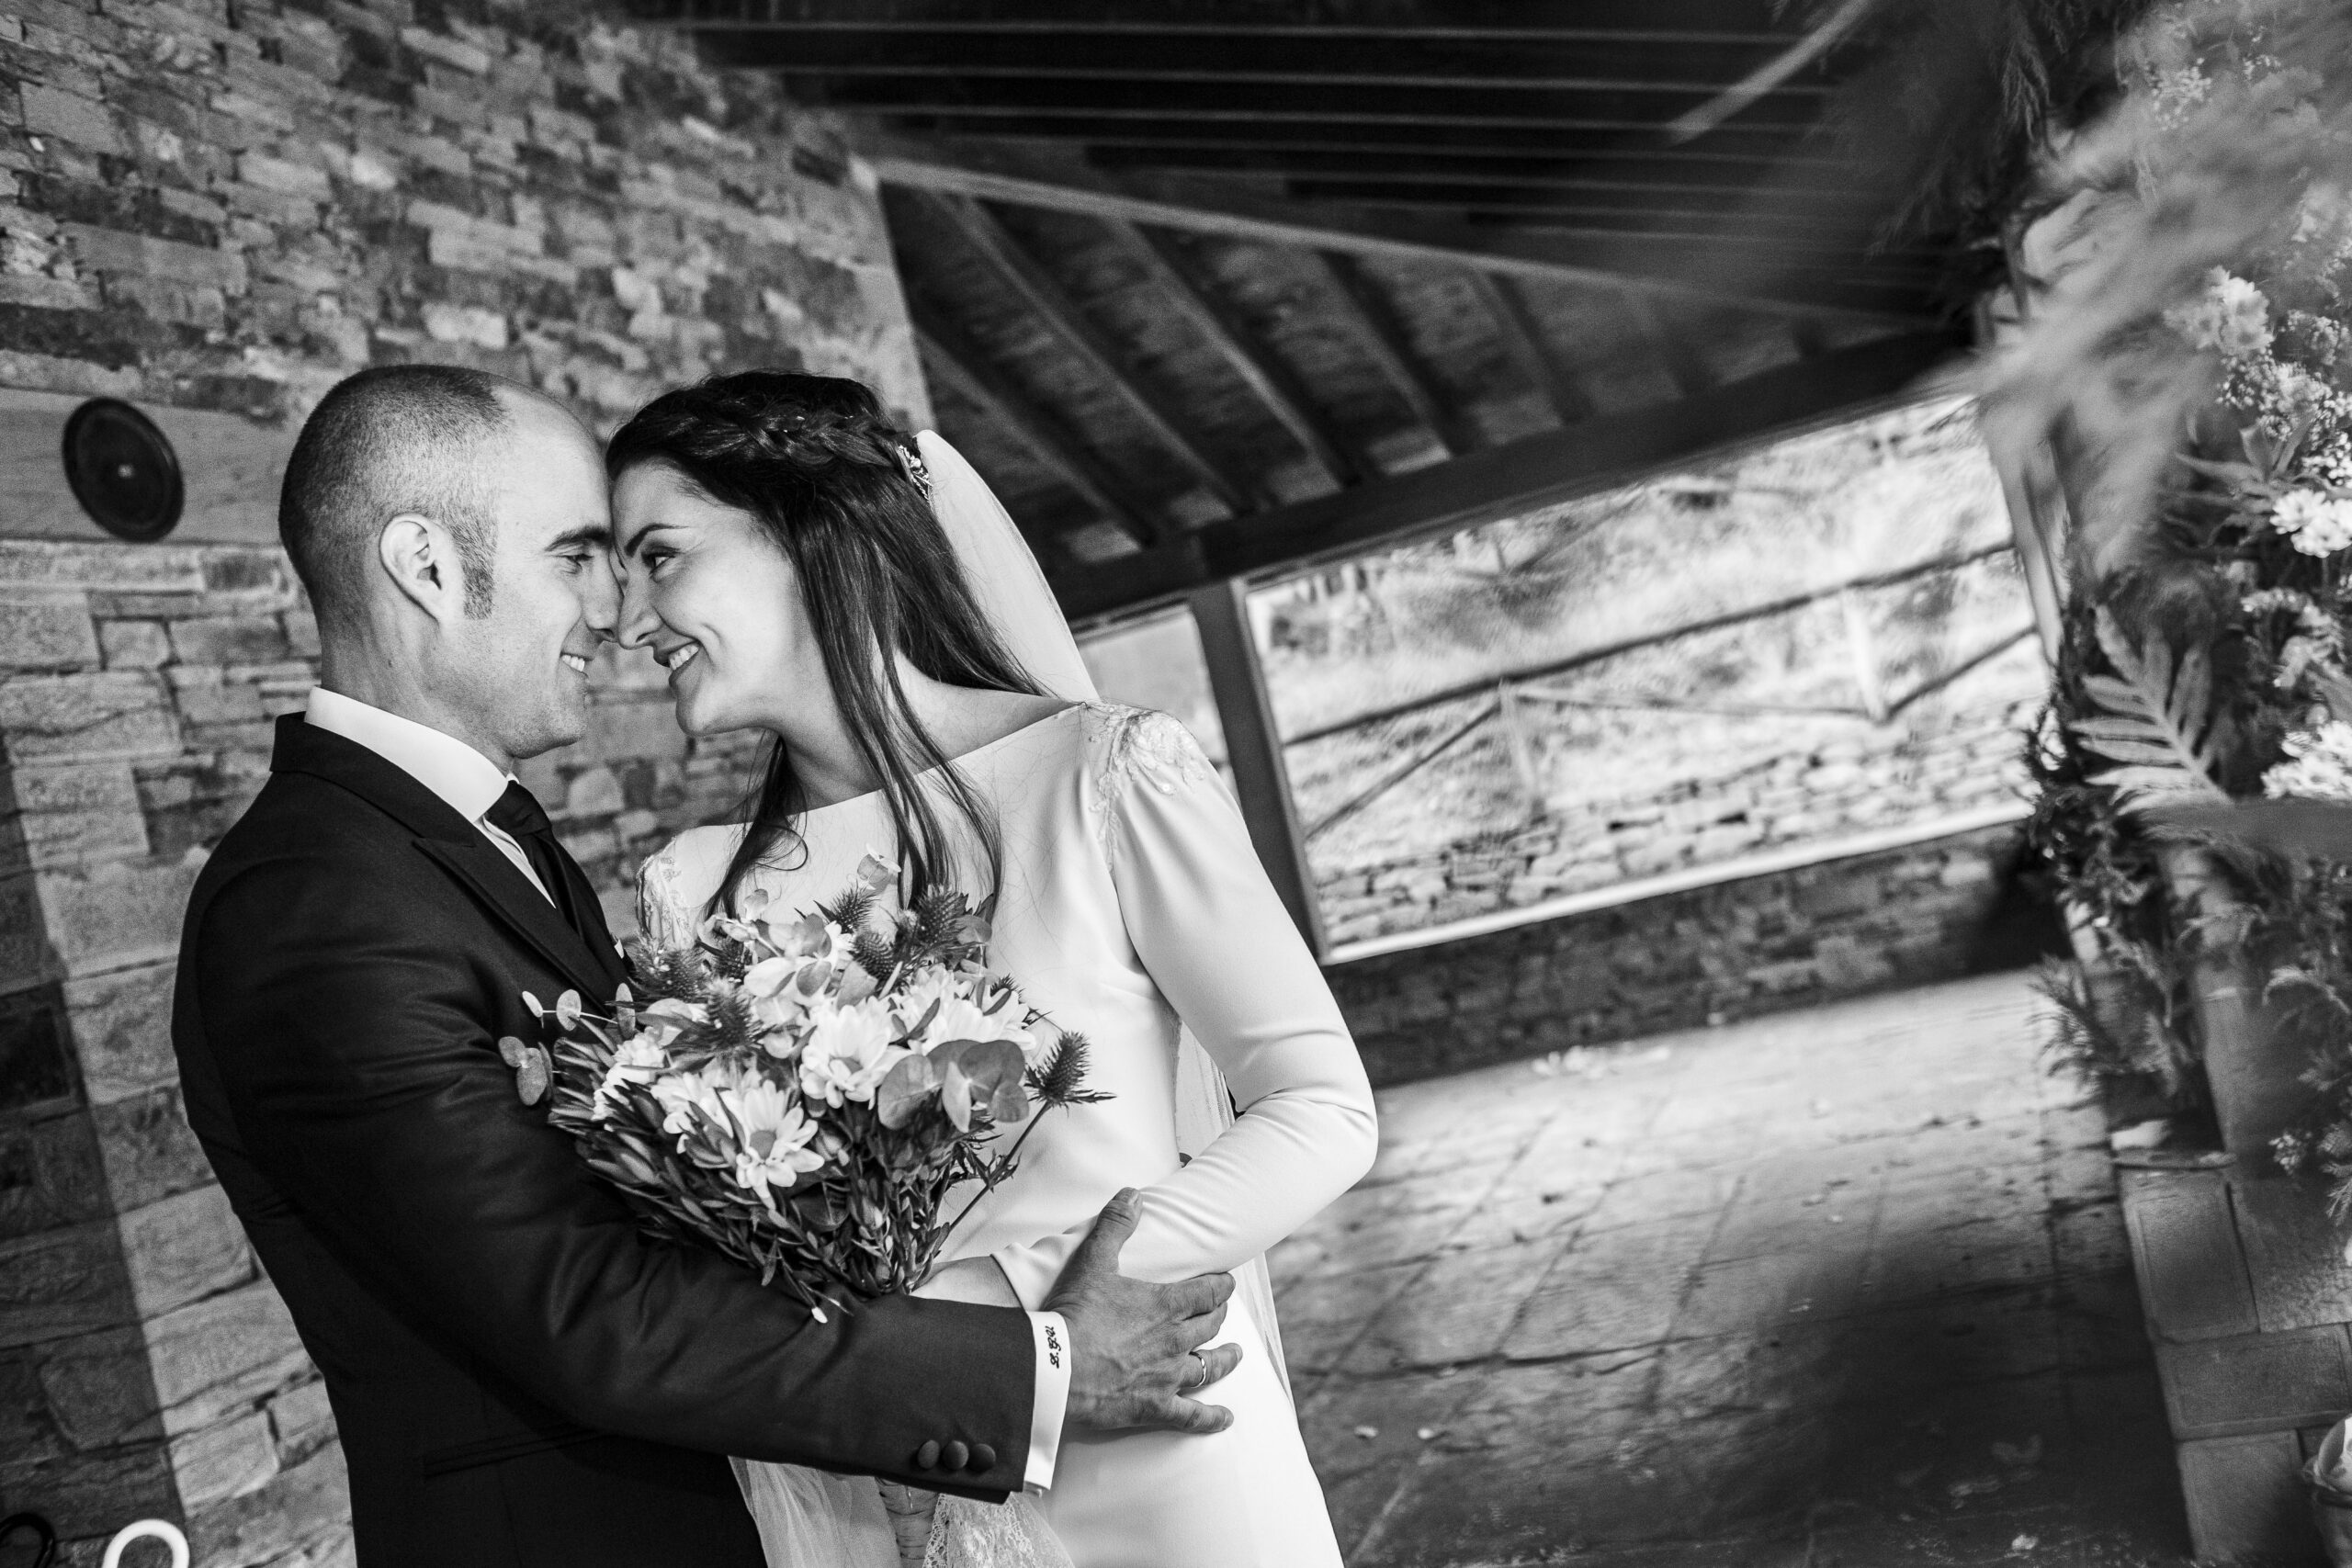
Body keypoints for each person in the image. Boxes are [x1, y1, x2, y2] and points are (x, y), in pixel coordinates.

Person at [170, 364, 1244, 1568]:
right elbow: (585, 1309)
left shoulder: (469, 845)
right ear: (425, 567)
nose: (614, 615)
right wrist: (1033, 1372)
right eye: (576, 556)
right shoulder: (314, 899)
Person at [611, 370, 1380, 1567]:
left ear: (811, 532)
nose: (628, 623)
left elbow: (1322, 1108)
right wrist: (907, 1365)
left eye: (658, 557)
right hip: (887, 1487)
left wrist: (1038, 1312)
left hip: (1161, 1444)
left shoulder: (1100, 778)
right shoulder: (694, 893)